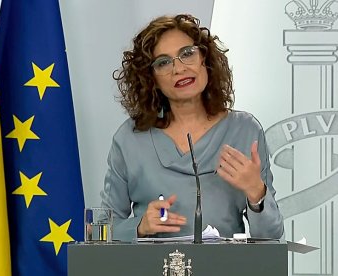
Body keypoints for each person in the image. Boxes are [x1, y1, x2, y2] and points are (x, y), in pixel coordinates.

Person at [100, 14, 284, 242]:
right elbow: (100, 230)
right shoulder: (130, 138)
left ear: (204, 59)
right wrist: (139, 227)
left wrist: (256, 192)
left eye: (187, 54)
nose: (178, 69)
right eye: (163, 62)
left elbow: (271, 236)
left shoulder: (245, 131)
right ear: (151, 79)